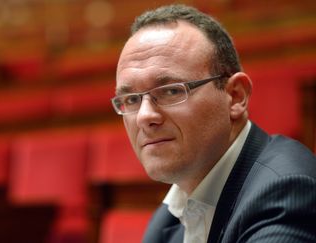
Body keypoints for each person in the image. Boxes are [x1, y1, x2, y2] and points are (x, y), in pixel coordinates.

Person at [111, 4, 316, 243]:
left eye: (171, 91)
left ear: (235, 96)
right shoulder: (168, 219)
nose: (145, 116)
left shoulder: (287, 192)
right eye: (132, 99)